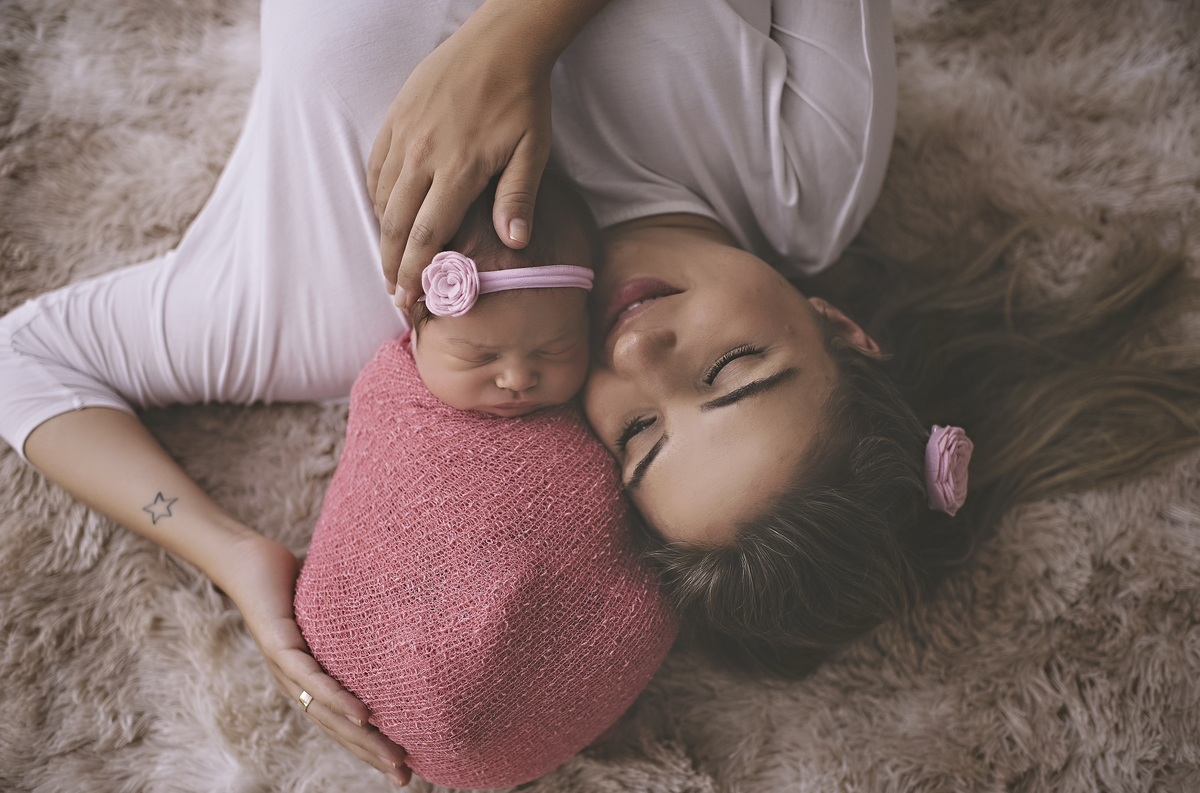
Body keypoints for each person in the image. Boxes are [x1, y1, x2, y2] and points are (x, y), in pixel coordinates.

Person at [5, 0, 1198, 786]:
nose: (640, 354)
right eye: (730, 370)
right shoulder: (808, 176)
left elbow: (25, 362)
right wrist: (517, 38)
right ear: (840, 325)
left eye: (637, 438)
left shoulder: (349, 301)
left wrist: (232, 554)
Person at [406, 173, 602, 416]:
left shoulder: (598, 403)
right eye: (477, 357)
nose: (518, 381)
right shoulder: (389, 397)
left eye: (556, 351)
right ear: (412, 324)